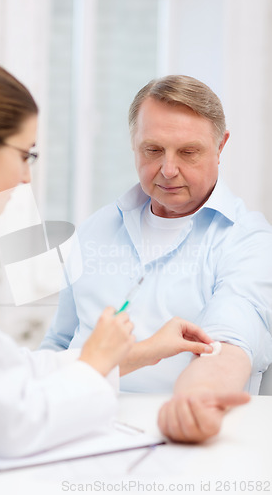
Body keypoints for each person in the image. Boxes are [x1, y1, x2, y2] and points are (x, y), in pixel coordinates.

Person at [0, 61, 216, 495]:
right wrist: (92, 363)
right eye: (25, 154)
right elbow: (10, 425)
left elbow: (2, 371)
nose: (27, 175)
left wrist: (126, 354)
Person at [41, 74, 272, 443]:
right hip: (74, 427)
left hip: (180, 436)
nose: (167, 169)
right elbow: (60, 341)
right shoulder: (94, 230)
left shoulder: (247, 241)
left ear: (220, 146)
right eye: (152, 150)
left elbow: (228, 347)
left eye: (188, 152)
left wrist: (195, 402)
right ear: (134, 144)